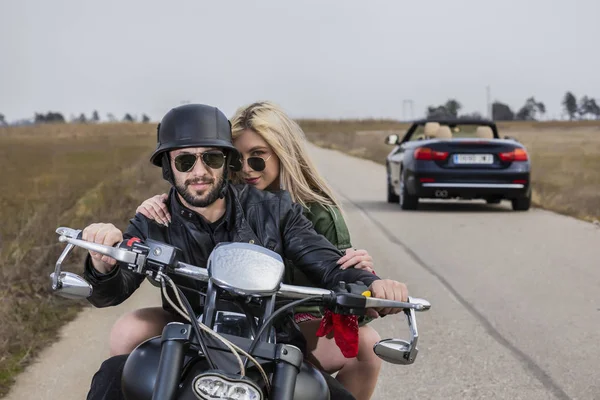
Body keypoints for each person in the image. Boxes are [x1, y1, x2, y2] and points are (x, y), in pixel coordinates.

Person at [83, 103, 409, 400]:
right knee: (115, 375)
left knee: (333, 397)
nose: (199, 171)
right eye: (185, 160)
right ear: (169, 168)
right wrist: (103, 263)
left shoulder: (276, 210)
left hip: (272, 341)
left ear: (226, 162)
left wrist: (370, 280)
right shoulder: (154, 219)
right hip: (187, 337)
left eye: (210, 158)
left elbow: (329, 263)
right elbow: (112, 289)